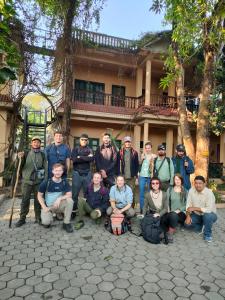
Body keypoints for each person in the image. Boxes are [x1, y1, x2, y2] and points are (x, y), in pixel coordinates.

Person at [15, 136, 47, 227]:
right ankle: (22, 218)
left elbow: (45, 167)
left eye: (38, 142)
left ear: (40, 144)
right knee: (25, 200)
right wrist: (19, 158)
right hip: (27, 182)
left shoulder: (43, 155)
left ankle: (38, 217)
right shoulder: (25, 153)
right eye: (34, 142)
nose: (36, 143)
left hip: (38, 182)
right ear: (31, 143)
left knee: (38, 200)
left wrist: (45, 180)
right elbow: (18, 166)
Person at [37, 163, 74, 233]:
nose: (58, 172)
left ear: (62, 172)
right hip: (49, 207)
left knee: (70, 201)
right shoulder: (46, 182)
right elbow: (39, 195)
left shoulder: (64, 182)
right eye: (56, 170)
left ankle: (66, 223)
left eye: (60, 170)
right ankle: (51, 215)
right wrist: (44, 207)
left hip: (59, 205)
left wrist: (59, 199)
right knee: (46, 223)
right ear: (53, 171)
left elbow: (69, 194)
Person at [185, 175, 217, 242]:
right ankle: (203, 226)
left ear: (204, 184)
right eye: (196, 183)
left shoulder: (209, 193)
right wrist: (188, 216)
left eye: (200, 183)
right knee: (187, 225)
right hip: (197, 215)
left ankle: (207, 235)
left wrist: (195, 208)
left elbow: (209, 209)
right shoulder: (191, 190)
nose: (197, 185)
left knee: (207, 216)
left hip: (210, 215)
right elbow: (188, 205)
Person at [71, 134, 94, 210]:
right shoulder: (75, 149)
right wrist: (86, 157)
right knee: (75, 194)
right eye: (82, 139)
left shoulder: (90, 149)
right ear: (79, 140)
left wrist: (80, 157)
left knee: (87, 193)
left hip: (87, 174)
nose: (84, 141)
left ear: (87, 141)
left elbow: (91, 159)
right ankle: (74, 210)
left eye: (85, 140)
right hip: (77, 173)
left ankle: (85, 210)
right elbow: (74, 160)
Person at [163, 174, 188, 242]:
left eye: (179, 179)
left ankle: (170, 234)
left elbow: (187, 204)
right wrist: (168, 209)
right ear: (174, 180)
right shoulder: (170, 189)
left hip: (181, 213)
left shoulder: (185, 191)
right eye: (176, 179)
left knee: (174, 215)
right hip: (171, 211)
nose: (177, 181)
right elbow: (166, 201)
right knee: (168, 217)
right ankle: (167, 229)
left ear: (181, 180)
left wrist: (179, 210)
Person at [117, 136, 139, 206]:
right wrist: (118, 175)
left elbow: (137, 165)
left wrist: (136, 177)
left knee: (131, 193)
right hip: (123, 177)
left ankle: (131, 208)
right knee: (122, 193)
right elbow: (117, 164)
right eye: (126, 142)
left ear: (130, 143)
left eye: (129, 142)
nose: (128, 143)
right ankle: (123, 207)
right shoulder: (120, 152)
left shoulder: (134, 152)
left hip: (132, 177)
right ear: (124, 143)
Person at [139, 142, 156, 213]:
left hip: (150, 177)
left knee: (150, 193)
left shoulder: (154, 156)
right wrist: (141, 159)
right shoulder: (143, 155)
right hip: (142, 176)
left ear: (151, 148)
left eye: (149, 148)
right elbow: (139, 164)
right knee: (141, 192)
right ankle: (142, 208)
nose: (147, 149)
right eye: (146, 148)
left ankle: (150, 208)